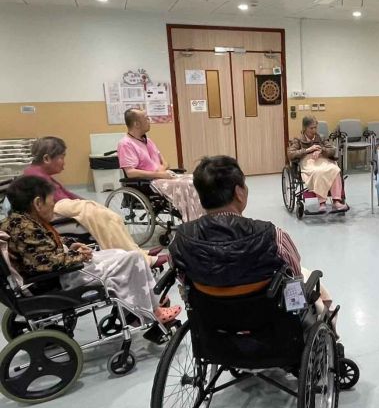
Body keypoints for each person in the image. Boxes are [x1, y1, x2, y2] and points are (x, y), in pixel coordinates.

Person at [169, 156, 337, 327]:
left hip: (212, 325)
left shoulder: (182, 239)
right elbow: (295, 278)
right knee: (309, 281)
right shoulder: (273, 236)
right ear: (239, 192)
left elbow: (183, 280)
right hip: (268, 325)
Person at [0, 176, 181, 325]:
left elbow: (47, 244)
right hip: (62, 278)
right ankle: (151, 310)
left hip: (59, 272)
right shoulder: (26, 228)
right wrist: (78, 256)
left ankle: (149, 298)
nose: (54, 205)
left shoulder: (20, 221)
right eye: (51, 201)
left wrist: (71, 244)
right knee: (133, 259)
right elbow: (46, 263)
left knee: (119, 253)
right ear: (38, 203)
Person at [23, 137, 166, 268]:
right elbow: (58, 202)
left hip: (63, 209)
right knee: (107, 219)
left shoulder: (37, 173)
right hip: (58, 216)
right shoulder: (36, 178)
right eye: (61, 157)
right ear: (47, 158)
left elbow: (66, 196)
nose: (64, 162)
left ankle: (138, 253)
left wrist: (87, 202)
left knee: (112, 217)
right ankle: (140, 259)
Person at [287, 116, 348, 212]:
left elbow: (332, 150)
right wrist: (307, 150)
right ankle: (322, 202)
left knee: (335, 170)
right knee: (318, 171)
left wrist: (321, 150)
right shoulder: (298, 139)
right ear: (305, 128)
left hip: (322, 160)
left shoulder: (321, 137)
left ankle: (336, 201)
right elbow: (290, 154)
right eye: (311, 128)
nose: (314, 130)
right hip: (308, 162)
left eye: (315, 127)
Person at [117, 108, 176, 180]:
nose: (149, 121)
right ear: (137, 124)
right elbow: (130, 173)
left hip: (161, 177)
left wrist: (161, 171)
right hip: (148, 182)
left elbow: (165, 163)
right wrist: (158, 174)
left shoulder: (148, 141)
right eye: (147, 118)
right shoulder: (125, 144)